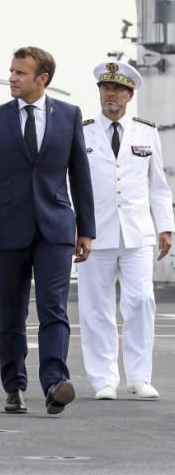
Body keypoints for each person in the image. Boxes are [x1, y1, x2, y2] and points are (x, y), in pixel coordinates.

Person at [0, 46, 95, 415]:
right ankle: (14, 386)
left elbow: (79, 175)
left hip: (55, 227)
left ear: (43, 78)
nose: (12, 78)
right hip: (7, 229)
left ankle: (55, 382)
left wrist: (86, 229)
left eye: (20, 73)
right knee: (11, 313)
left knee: (54, 308)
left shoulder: (68, 115)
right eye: (11, 71)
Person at [78, 60, 173, 401]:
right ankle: (104, 378)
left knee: (142, 301)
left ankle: (139, 377)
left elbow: (158, 186)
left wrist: (166, 227)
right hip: (93, 233)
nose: (110, 95)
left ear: (130, 94)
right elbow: (69, 183)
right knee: (95, 307)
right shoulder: (82, 130)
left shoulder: (146, 132)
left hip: (137, 233)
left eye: (117, 89)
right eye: (105, 88)